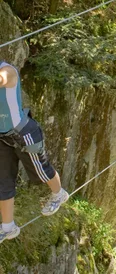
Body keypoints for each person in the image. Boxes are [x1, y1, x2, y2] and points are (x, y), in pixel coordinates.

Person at [0, 60, 69, 243]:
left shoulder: (8, 71)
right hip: (2, 138)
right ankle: (8, 227)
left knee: (40, 169)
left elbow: (2, 79)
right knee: (3, 180)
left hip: (24, 134)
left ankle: (58, 194)